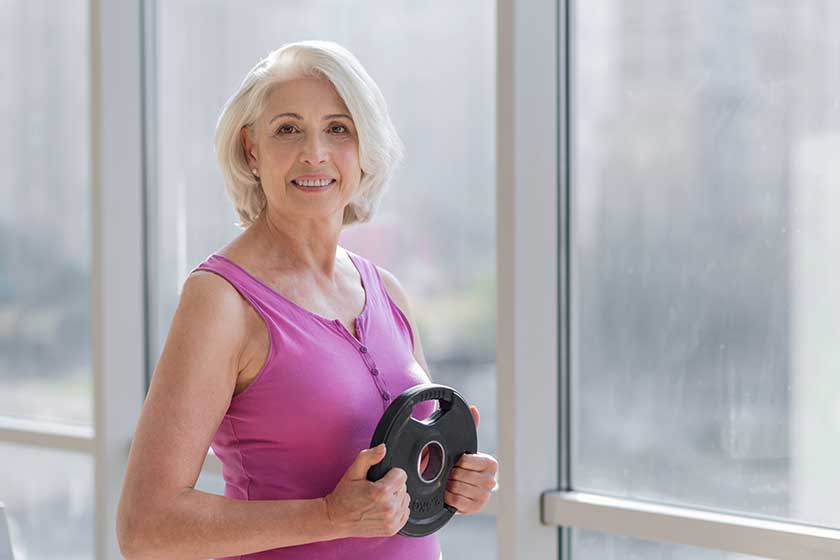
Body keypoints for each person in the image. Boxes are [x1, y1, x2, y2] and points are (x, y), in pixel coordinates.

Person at [116, 40, 498, 560]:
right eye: (288, 129)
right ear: (252, 149)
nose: (314, 153)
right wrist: (329, 516)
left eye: (338, 129)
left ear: (364, 150)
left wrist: (455, 482)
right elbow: (145, 528)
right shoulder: (221, 300)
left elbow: (403, 486)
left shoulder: (386, 292)